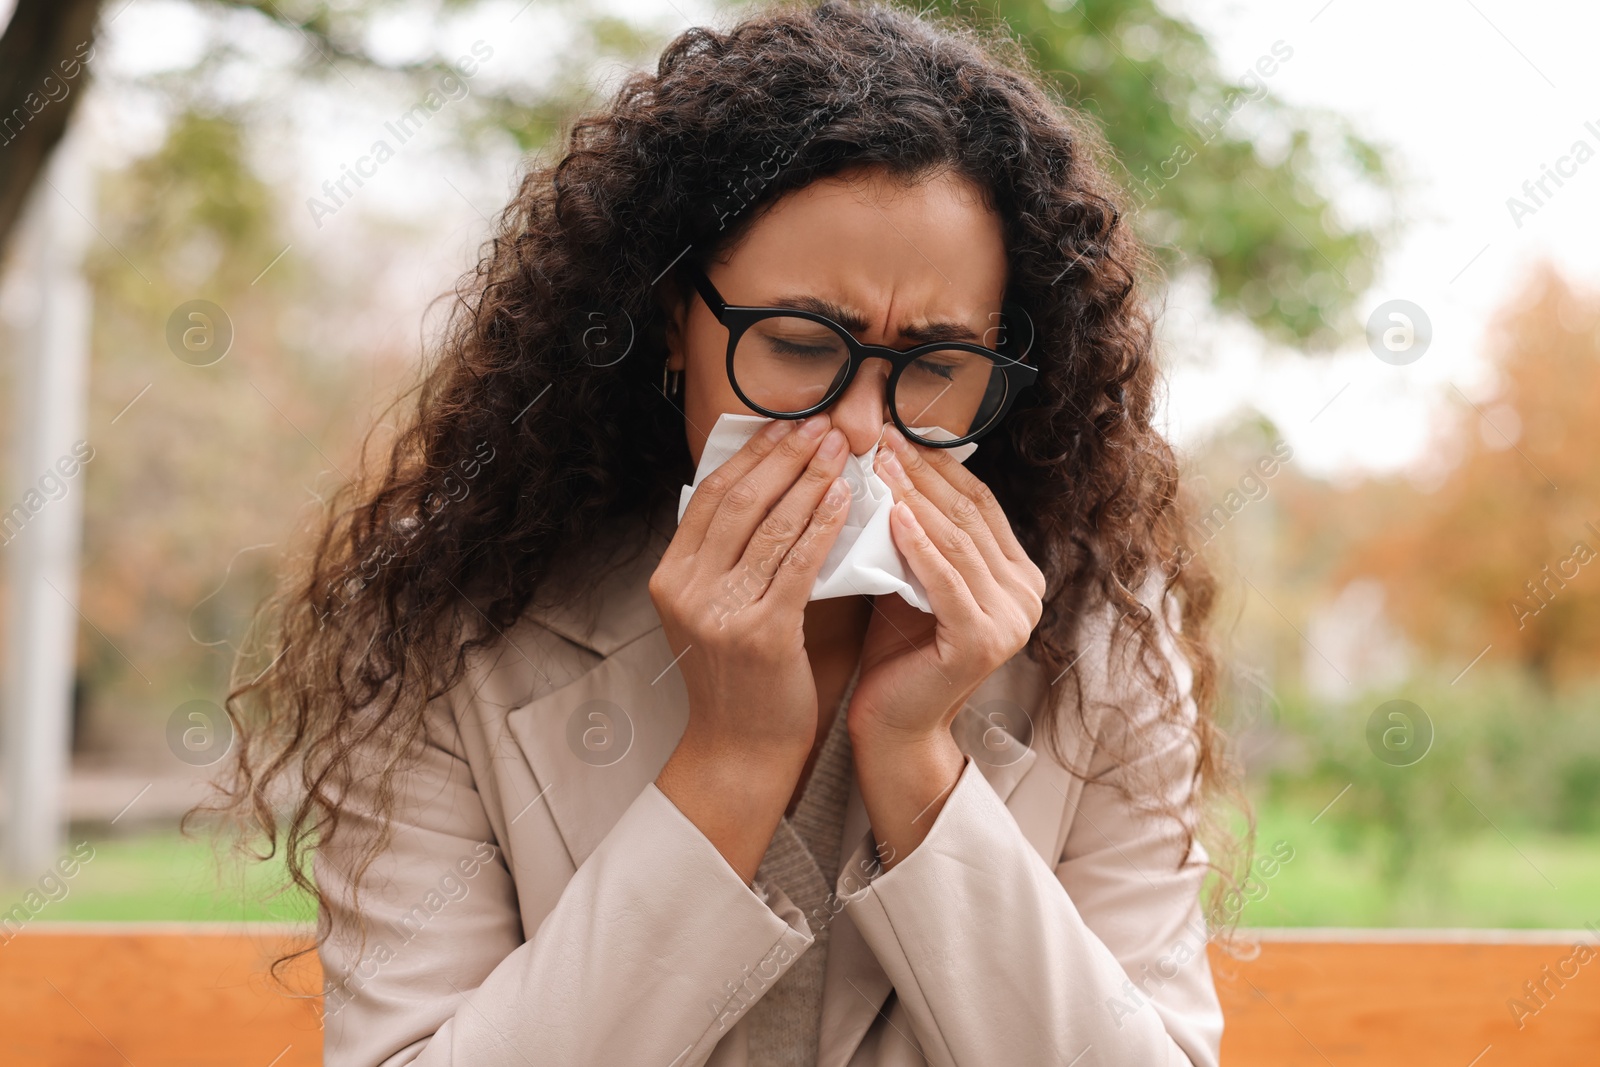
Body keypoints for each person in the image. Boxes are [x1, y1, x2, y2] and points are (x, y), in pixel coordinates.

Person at [208, 2, 1248, 1064]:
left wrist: (917, 763)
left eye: (935, 368)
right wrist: (732, 761)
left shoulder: (1099, 643)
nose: (861, 429)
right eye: (799, 344)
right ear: (672, 319)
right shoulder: (449, 628)